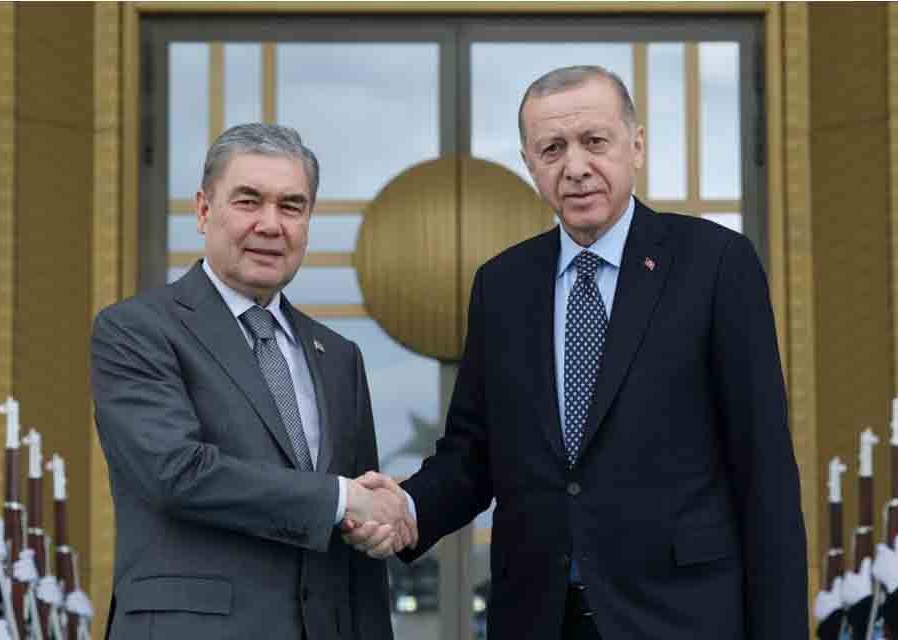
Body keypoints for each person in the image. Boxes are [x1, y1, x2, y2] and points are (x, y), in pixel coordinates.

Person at [344, 65, 808, 639]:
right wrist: (406, 510)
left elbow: (764, 469)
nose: (576, 167)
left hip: (680, 618)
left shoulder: (715, 265)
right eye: (553, 149)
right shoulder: (502, 285)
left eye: (594, 141)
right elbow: (472, 454)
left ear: (636, 146)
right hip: (536, 619)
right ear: (529, 164)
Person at [91, 123, 414, 640]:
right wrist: (340, 499)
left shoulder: (339, 357)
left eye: (291, 206)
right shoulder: (136, 330)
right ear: (203, 211)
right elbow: (176, 473)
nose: (270, 224)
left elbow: (357, 555)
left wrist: (372, 522)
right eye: (248, 201)